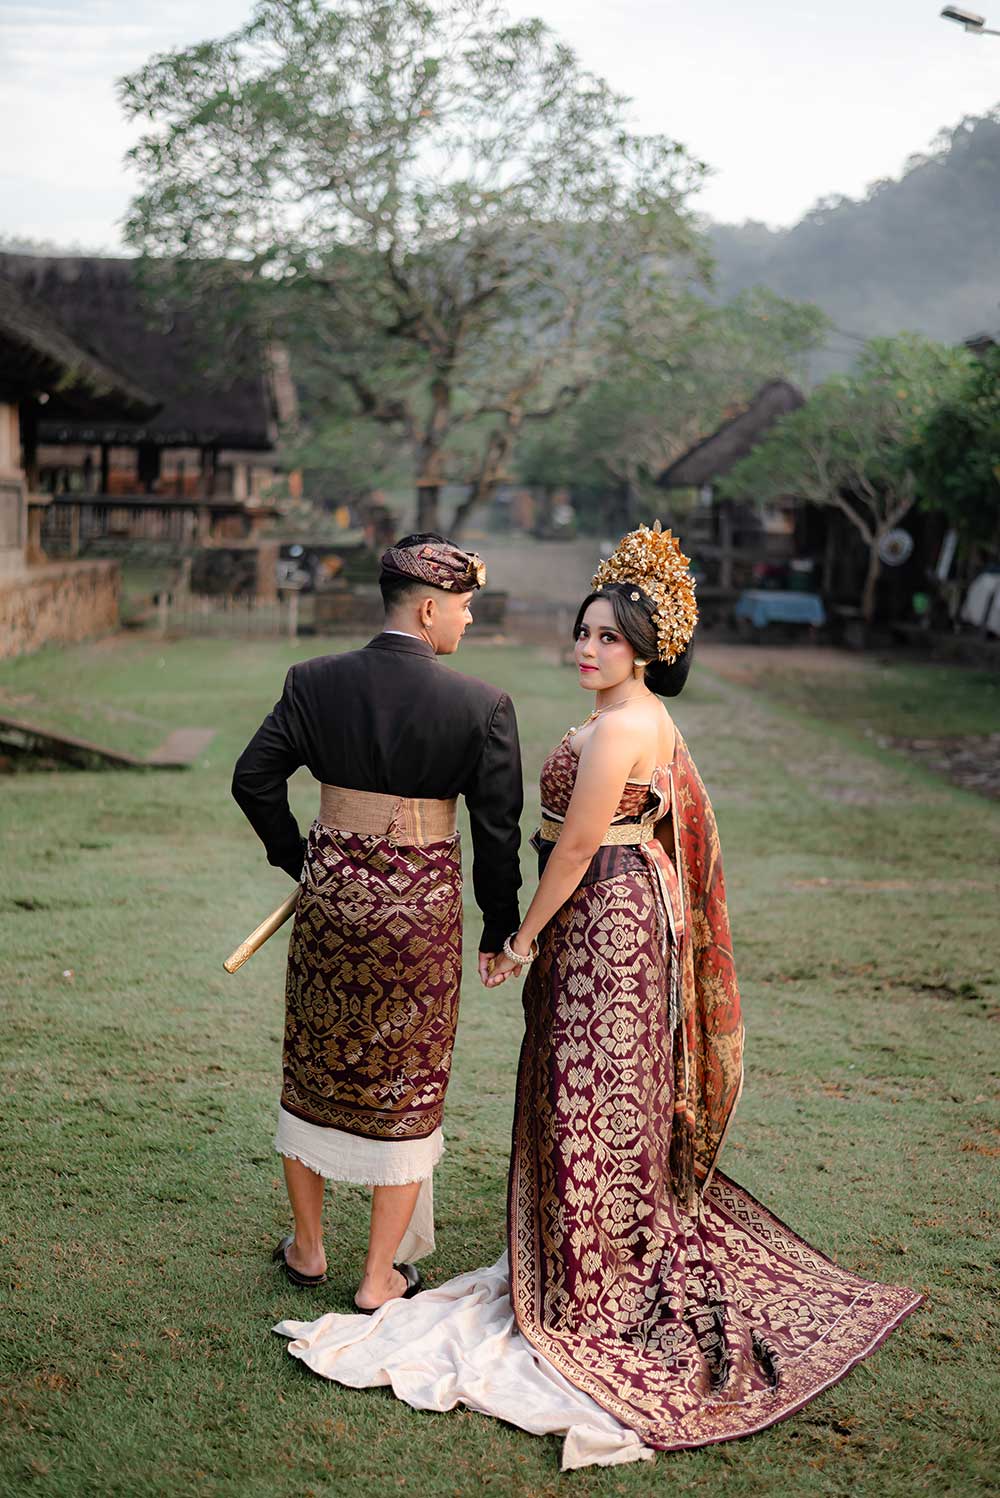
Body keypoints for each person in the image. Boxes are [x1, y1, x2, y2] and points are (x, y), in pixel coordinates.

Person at [274, 524, 922, 1469]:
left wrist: (519, 939)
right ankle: (577, 1241)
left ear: (646, 650)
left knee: (592, 1088)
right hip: (600, 909)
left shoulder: (624, 725)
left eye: (607, 638)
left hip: (605, 914)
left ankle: (594, 1264)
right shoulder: (618, 717)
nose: (587, 648)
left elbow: (577, 844)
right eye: (583, 632)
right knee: (584, 1086)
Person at [232, 534, 523, 1312]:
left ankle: (308, 1248)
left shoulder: (312, 681)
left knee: (314, 1063)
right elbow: (497, 836)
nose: (467, 621)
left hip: (330, 909)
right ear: (428, 610)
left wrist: (301, 859)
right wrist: (498, 928)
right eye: (463, 607)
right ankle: (377, 1277)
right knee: (408, 1077)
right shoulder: (484, 706)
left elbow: (253, 778)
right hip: (420, 922)